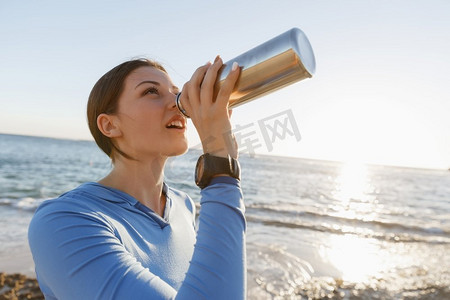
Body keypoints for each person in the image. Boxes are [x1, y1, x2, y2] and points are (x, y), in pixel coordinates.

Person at [28, 56, 246, 299]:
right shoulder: (63, 222)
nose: (177, 103)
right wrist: (220, 164)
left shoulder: (183, 206)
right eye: (151, 91)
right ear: (109, 125)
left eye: (176, 93)